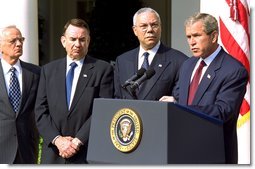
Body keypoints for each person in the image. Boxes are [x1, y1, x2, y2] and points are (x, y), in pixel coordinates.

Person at [159, 13, 249, 164]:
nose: (191, 42)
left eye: (196, 35)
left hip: (213, 154)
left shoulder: (233, 70)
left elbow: (222, 111)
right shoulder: (188, 65)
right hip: (182, 151)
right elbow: (180, 97)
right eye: (188, 37)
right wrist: (173, 102)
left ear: (213, 36)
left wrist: (179, 107)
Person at [35, 18, 114, 164]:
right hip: (54, 154)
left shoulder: (102, 70)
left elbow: (102, 111)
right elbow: (40, 111)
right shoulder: (48, 70)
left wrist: (78, 141)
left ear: (88, 41)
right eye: (73, 39)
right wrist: (58, 140)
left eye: (82, 39)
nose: (77, 44)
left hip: (86, 153)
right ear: (63, 41)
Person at [114, 7, 188, 100]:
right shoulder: (122, 61)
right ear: (135, 30)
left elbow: (182, 99)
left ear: (160, 27)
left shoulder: (179, 61)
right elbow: (117, 98)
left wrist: (174, 101)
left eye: (154, 25)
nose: (150, 30)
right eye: (144, 26)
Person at [0, 25, 40, 164]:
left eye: (21, 40)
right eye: (13, 41)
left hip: (27, 148)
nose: (19, 44)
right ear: (1, 46)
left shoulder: (36, 73)